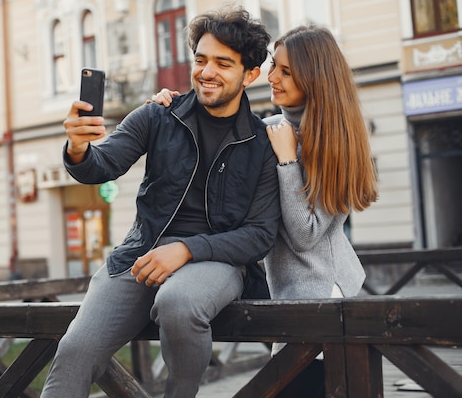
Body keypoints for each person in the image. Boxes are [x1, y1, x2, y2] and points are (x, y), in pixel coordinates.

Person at [40, 6, 281, 398]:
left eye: (223, 63)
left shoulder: (262, 143)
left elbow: (258, 236)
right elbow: (103, 164)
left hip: (215, 263)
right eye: (201, 60)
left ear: (250, 74)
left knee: (178, 301)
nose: (206, 72)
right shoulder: (158, 115)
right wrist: (79, 146)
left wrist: (186, 249)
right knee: (74, 350)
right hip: (140, 255)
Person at [152, 25, 379, 397]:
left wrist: (288, 161)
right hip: (286, 298)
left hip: (324, 301)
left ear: (315, 77)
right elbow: (217, 146)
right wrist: (173, 110)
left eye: (286, 71)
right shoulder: (270, 127)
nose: (272, 77)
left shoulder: (335, 143)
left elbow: (306, 235)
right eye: (274, 65)